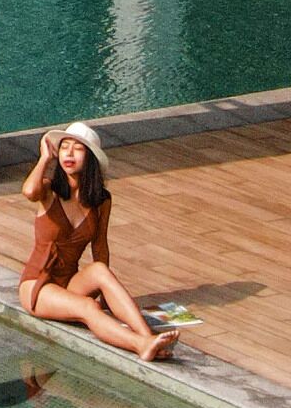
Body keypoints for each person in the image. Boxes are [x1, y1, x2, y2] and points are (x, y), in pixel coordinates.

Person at [17, 122, 175, 361]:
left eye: (77, 149)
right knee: (88, 308)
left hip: (69, 280)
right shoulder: (50, 190)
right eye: (64, 148)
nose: (69, 154)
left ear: (90, 157)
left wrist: (107, 293)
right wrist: (44, 159)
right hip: (37, 286)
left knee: (100, 270)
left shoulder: (101, 200)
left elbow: (100, 246)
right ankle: (139, 345)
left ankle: (147, 335)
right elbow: (29, 192)